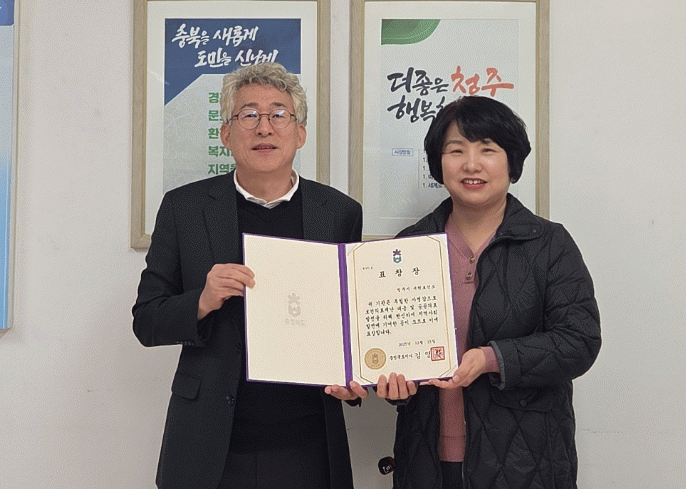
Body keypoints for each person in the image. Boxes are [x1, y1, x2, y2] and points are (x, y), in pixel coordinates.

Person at [133, 62, 366, 489]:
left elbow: (351, 323)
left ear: (300, 133)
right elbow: (146, 320)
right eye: (249, 115)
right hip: (210, 444)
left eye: (278, 114)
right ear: (226, 133)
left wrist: (355, 378)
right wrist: (202, 300)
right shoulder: (185, 209)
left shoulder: (338, 213)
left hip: (309, 439)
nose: (264, 127)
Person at [375, 95, 601, 489]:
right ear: (438, 163)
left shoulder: (549, 244)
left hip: (525, 464)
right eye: (456, 150)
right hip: (426, 461)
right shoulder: (408, 246)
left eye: (487, 149)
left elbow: (579, 342)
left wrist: (491, 358)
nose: (471, 164)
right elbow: (388, 346)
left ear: (512, 161)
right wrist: (394, 386)